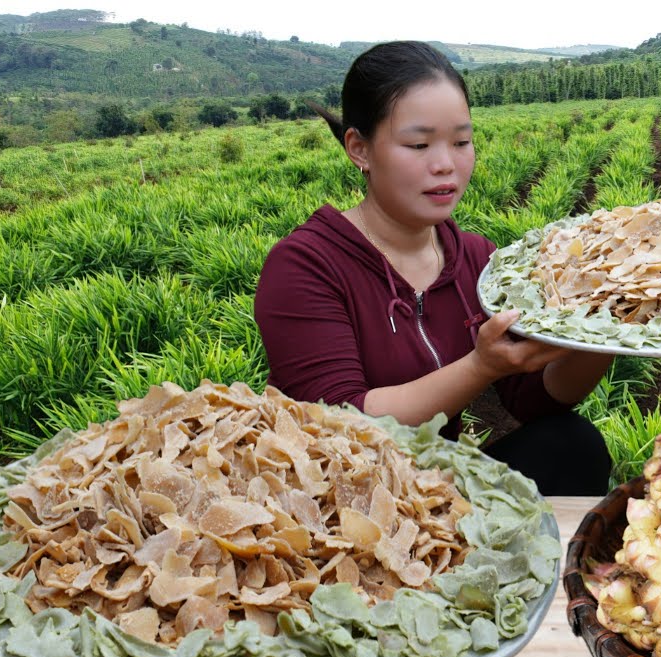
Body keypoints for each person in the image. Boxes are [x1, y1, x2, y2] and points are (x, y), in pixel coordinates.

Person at [254, 41, 614, 497]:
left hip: (433, 487)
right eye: (419, 144)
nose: (446, 164)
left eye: (461, 142)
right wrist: (479, 366)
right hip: (338, 501)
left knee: (570, 445)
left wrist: (604, 326)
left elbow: (534, 400)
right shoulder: (306, 264)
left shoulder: (477, 259)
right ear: (359, 149)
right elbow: (343, 422)